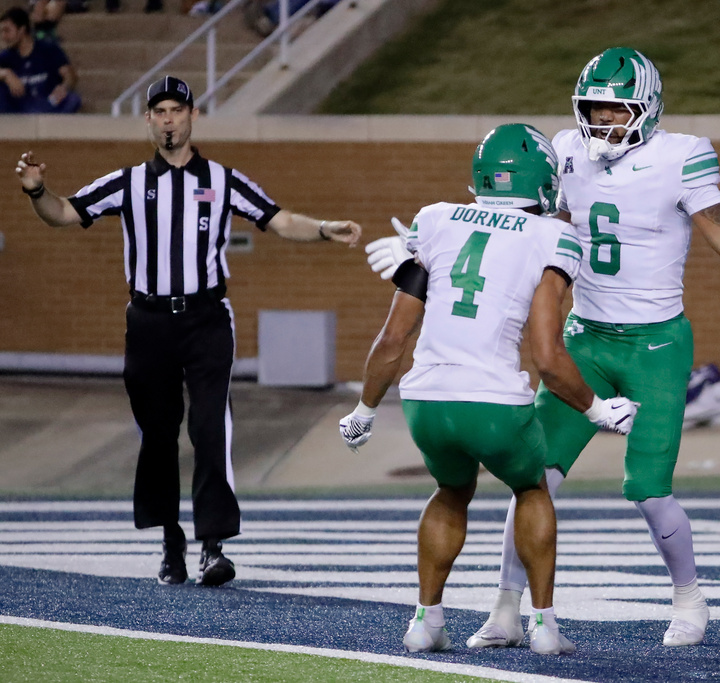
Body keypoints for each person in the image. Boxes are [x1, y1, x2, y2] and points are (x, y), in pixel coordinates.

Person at [366, 47, 720, 649]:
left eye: (616, 109)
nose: (602, 122)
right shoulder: (565, 150)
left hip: (657, 344)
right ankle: (505, 607)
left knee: (650, 491)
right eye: (594, 109)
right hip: (585, 338)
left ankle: (689, 597)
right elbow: (514, 224)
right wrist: (422, 254)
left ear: (647, 108)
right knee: (534, 476)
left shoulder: (680, 157)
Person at [15, 75, 362, 588]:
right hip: (149, 320)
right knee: (157, 436)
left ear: (193, 115)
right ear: (149, 121)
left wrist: (324, 229)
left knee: (209, 427)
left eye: (177, 109)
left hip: (206, 319)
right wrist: (37, 191)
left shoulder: (222, 179)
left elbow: (276, 218)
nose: (169, 119)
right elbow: (64, 213)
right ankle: (170, 539)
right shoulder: (128, 181)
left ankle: (213, 545)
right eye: (160, 111)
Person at [339, 123, 639, 655]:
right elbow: (548, 355)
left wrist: (364, 408)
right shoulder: (554, 235)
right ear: (543, 181)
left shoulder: (432, 220)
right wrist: (596, 409)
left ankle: (426, 622)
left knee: (451, 490)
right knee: (530, 489)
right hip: (493, 400)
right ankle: (544, 626)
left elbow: (393, 339)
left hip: (426, 400)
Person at [0, 6, 80, 113]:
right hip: (21, 107)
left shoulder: (48, 49)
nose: (3, 36)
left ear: (22, 30)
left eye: (7, 31)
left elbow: (70, 76)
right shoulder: (6, 56)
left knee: (73, 99)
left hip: (47, 103)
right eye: (1, 32)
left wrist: (64, 87)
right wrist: (6, 73)